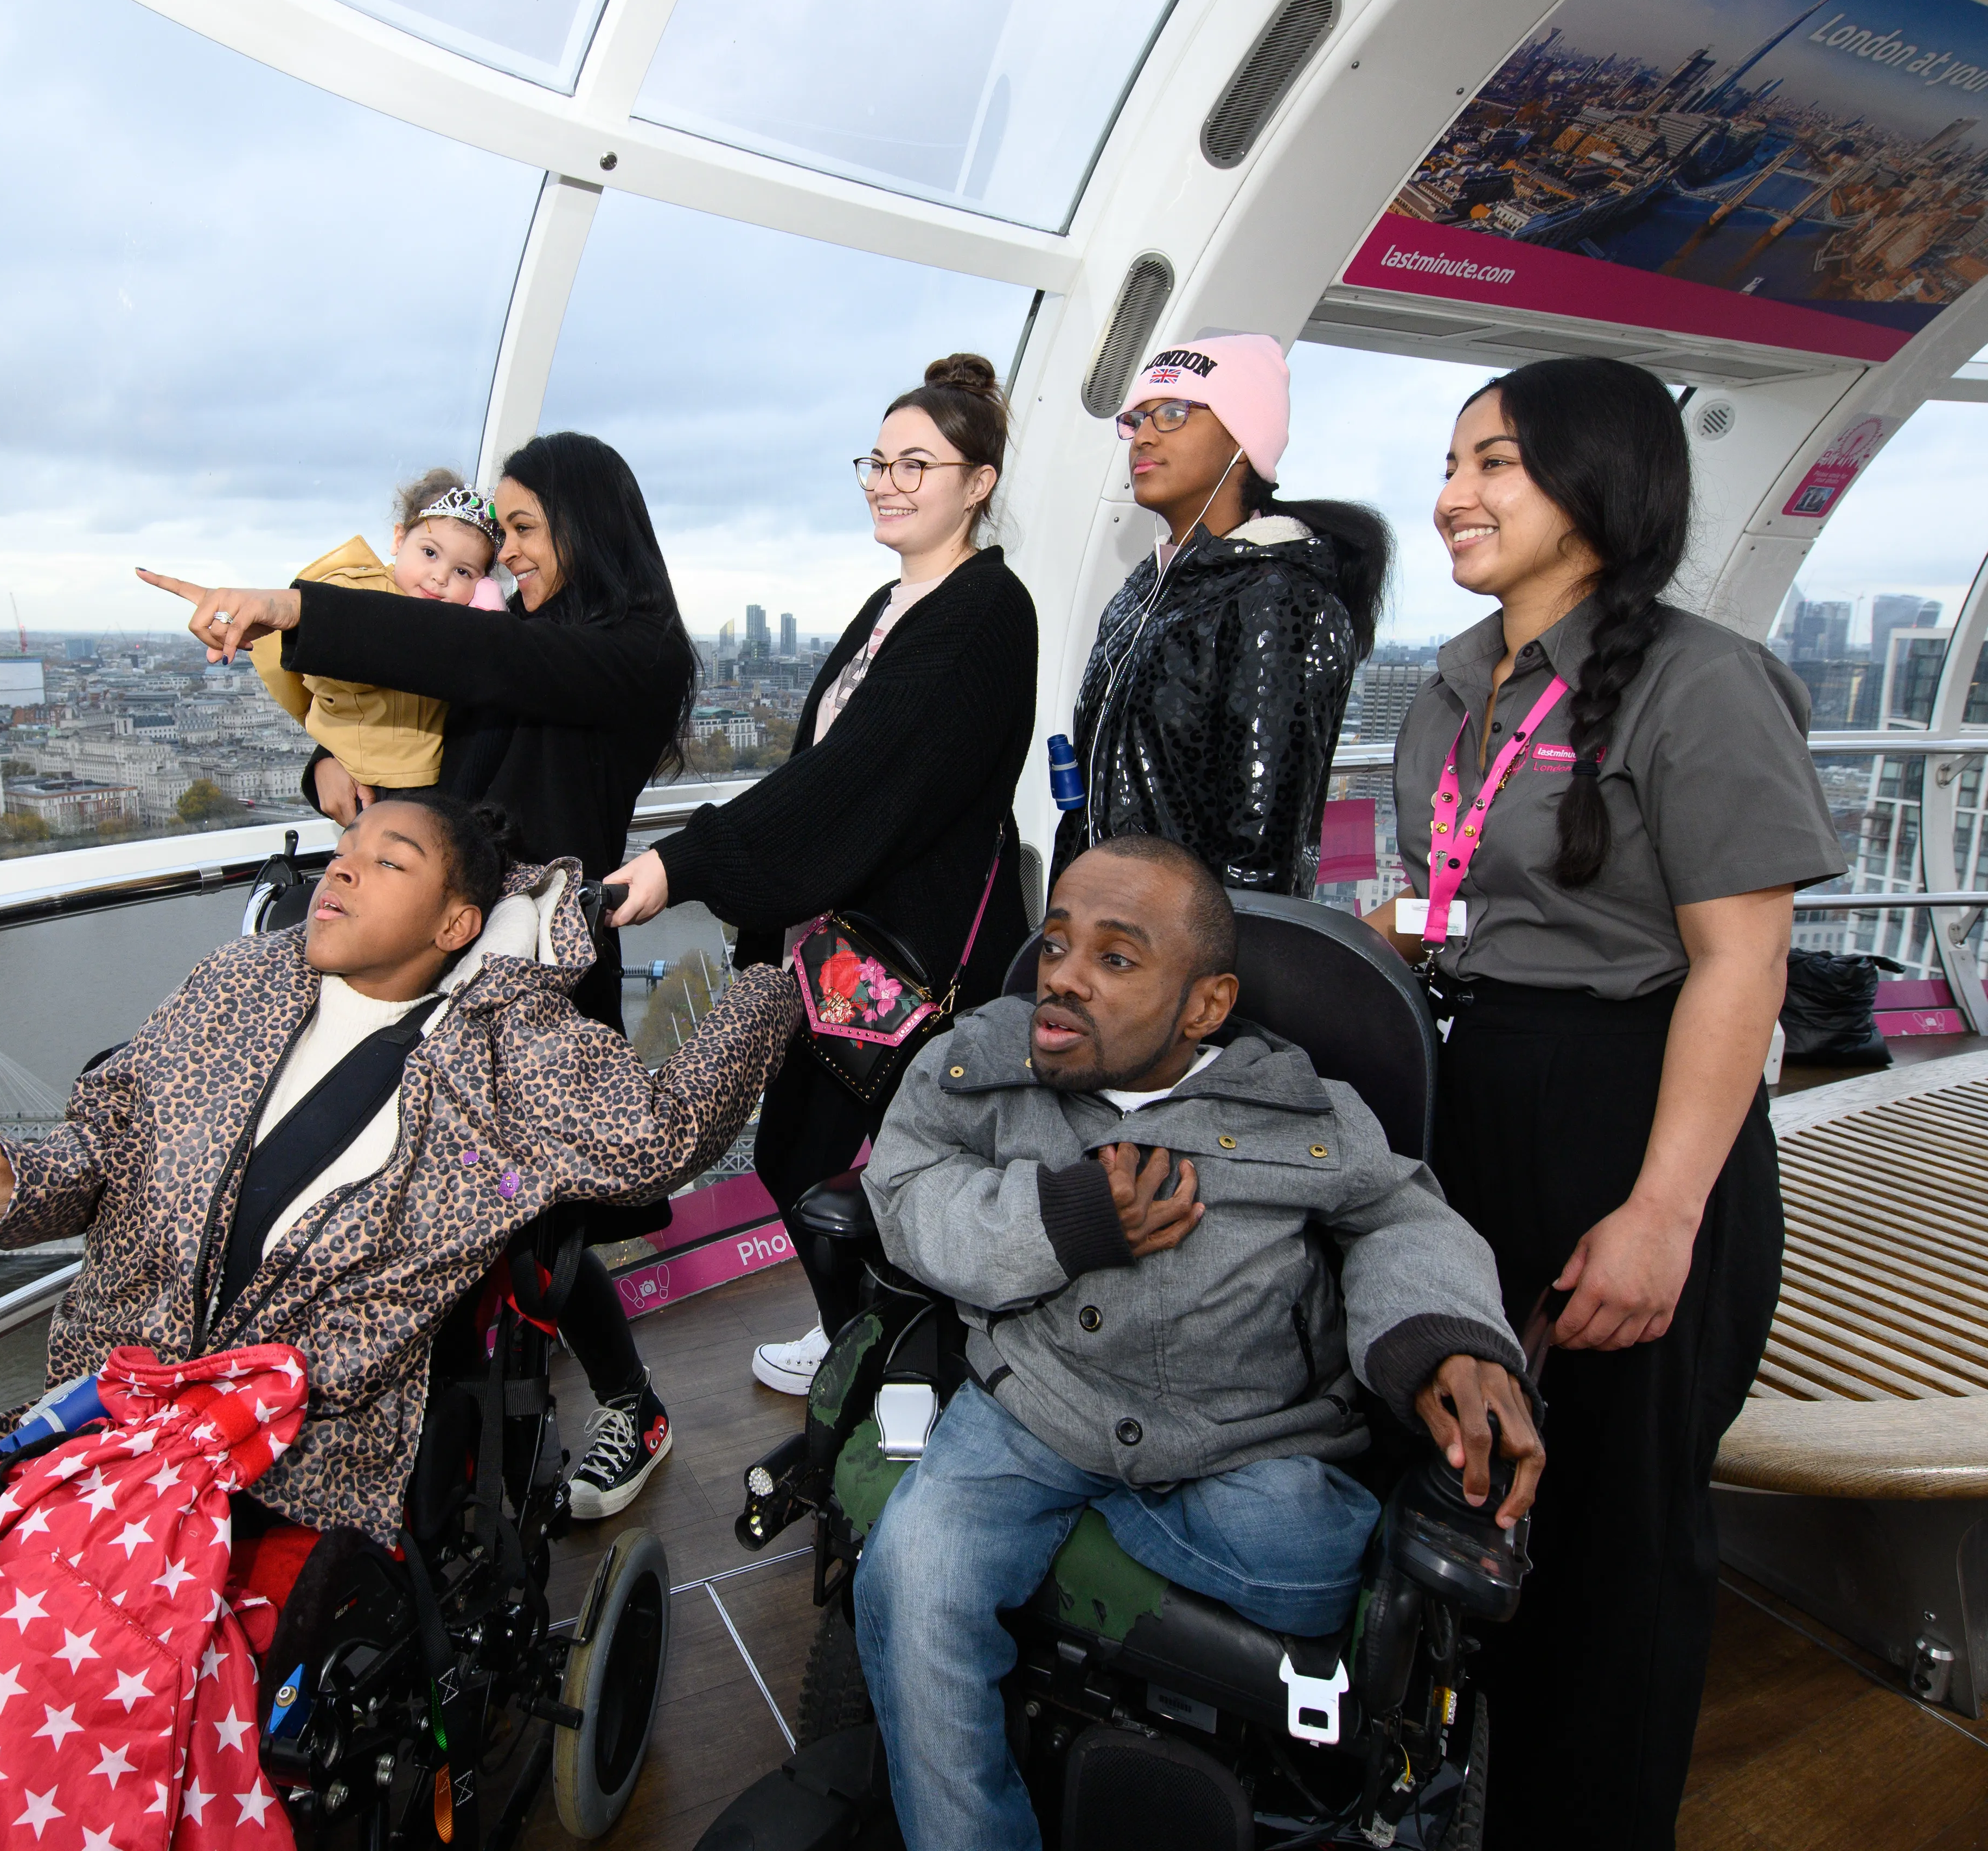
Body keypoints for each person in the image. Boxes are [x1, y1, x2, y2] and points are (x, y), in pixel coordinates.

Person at [1363, 358, 1843, 1850]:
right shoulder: (1451, 677)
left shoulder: (1702, 680)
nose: (1454, 494)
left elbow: (1738, 963)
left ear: (1600, 482)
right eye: (1450, 460)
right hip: (1475, 1094)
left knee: (1618, 1544)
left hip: (1635, 1112)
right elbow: (1467, 891)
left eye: (1497, 463)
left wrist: (1658, 1213)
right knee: (1476, 1489)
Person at [855, 835, 1544, 1851]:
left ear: (1205, 1006)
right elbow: (907, 1191)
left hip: (1242, 1433)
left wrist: (1444, 1343)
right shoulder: (976, 1068)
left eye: (1114, 959)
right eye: (1053, 945)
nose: (1062, 981)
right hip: (1032, 1409)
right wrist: (1066, 1220)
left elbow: (1403, 1221)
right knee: (910, 1580)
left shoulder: (1300, 1112)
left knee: (1326, 1578)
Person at [0, 792, 800, 1547]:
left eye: (388, 863)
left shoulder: (509, 1057)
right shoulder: (231, 987)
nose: (340, 870)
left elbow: (660, 1138)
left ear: (457, 923)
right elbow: (111, 1143)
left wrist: (771, 979)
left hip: (299, 1455)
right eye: (343, 853)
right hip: (104, 1408)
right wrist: (14, 1184)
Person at [144, 437, 699, 1520]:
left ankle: (627, 1404)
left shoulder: (633, 652)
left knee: (531, 1222)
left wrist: (297, 607)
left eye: (526, 530)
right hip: (442, 957)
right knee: (444, 1215)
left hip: (539, 973)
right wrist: (322, 769)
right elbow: (415, 737)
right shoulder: (522, 633)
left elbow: (467, 659)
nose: (510, 556)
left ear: (586, 526)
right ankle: (441, 1462)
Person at [600, 352, 1037, 1396]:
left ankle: (896, 1367)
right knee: (808, 1157)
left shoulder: (984, 609)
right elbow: (826, 770)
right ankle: (863, 1337)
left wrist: (687, 860)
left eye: (914, 464)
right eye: (875, 461)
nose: (885, 481)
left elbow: (859, 774)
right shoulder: (893, 604)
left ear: (977, 484)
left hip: (915, 948)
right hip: (845, 946)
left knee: (836, 1161)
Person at [1052, 333, 1390, 895]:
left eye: (1174, 413)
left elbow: (1261, 847)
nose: (1145, 436)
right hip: (1107, 926)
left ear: (1243, 438)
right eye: (1136, 420)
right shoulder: (1144, 590)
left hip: (1177, 952)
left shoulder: (1276, 598)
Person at [239, 469, 503, 803]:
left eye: (463, 572)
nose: (440, 578)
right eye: (430, 553)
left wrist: (488, 618)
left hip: (425, 780)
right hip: (369, 777)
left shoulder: (463, 622)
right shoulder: (356, 591)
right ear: (398, 539)